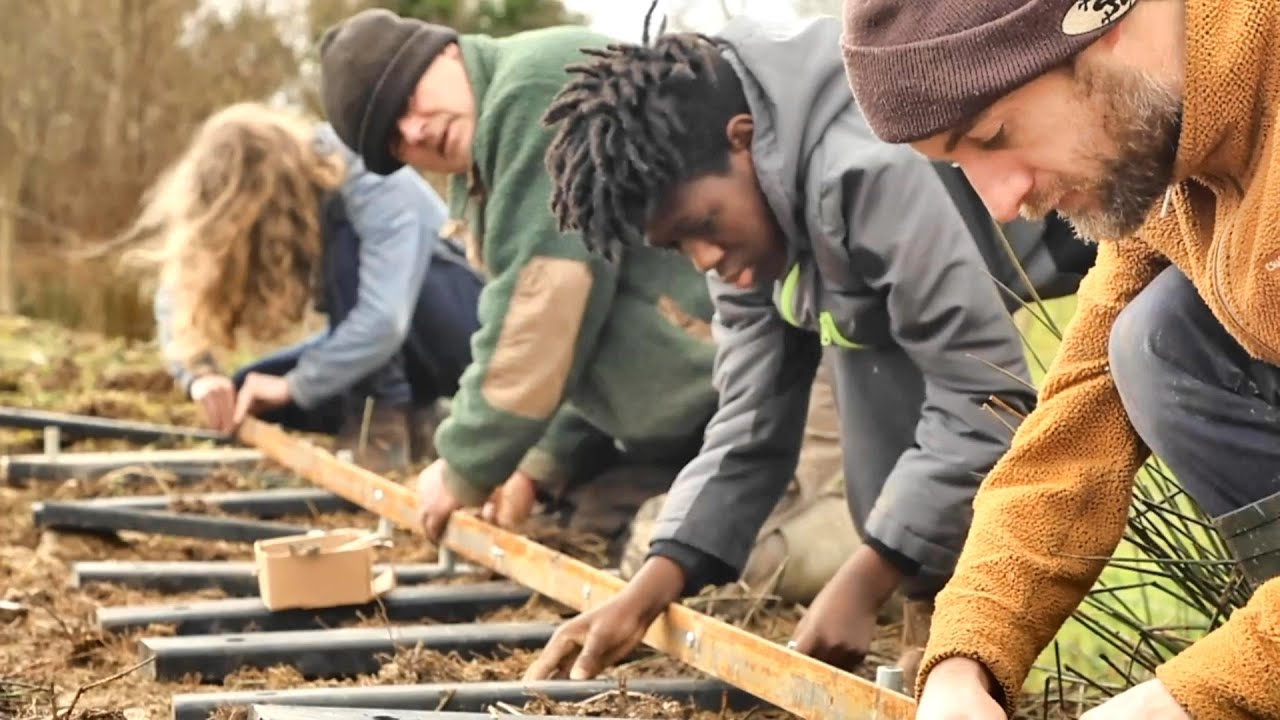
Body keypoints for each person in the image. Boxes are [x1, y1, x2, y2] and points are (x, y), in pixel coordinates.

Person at [523, 14, 1094, 687]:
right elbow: (750, 420)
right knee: (864, 352)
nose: (708, 261)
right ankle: (933, 628)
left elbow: (986, 392)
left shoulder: (863, 169)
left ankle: (957, 637)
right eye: (679, 248)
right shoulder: (745, 223)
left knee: (877, 367)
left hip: (1095, 228)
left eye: (704, 227)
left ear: (745, 142)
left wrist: (866, 576)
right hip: (912, 289)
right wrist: (646, 591)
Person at [841, 0, 1280, 718]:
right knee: (1148, 339)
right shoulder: (1168, 156)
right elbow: (1073, 428)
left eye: (994, 134)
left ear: (1104, 19)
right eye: (962, 165)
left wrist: (1185, 700)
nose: (1003, 202)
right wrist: (964, 660)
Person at [314, 9, 864, 570]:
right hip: (691, 411)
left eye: (407, 101)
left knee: (757, 561)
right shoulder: (479, 166)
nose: (414, 131)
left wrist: (462, 465)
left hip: (766, 383)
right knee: (599, 523)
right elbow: (581, 336)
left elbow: (542, 316)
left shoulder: (528, 90)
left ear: (448, 53)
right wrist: (537, 464)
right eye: (393, 142)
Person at [123, 102, 482, 472]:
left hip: (466, 327)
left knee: (346, 236)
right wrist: (200, 374)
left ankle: (380, 423)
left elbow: (384, 319)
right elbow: (181, 285)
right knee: (248, 390)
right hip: (397, 348)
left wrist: (297, 385)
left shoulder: (367, 170)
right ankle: (423, 423)